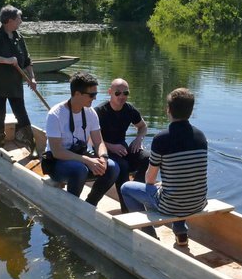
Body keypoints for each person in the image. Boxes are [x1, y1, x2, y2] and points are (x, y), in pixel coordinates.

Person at [120, 88, 207, 247]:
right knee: (180, 189)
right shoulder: (201, 136)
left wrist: (156, 186)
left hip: (171, 204)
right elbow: (189, 173)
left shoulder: (161, 138)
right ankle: (181, 233)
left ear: (168, 110)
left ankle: (150, 235)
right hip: (199, 202)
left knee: (126, 188)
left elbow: (150, 179)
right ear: (191, 111)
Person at [44, 71, 119, 206]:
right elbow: (57, 152)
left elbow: (99, 141)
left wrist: (103, 158)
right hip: (57, 163)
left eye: (95, 94)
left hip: (80, 159)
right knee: (79, 170)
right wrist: (88, 160)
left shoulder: (90, 113)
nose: (95, 98)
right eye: (92, 95)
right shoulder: (55, 115)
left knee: (113, 168)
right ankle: (71, 206)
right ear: (77, 94)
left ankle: (90, 204)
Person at [0, 6, 37, 147]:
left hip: (14, 84)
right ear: (9, 20)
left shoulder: (18, 37)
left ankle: (32, 145)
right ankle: (1, 143)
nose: (21, 21)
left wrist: (32, 78)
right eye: (18, 19)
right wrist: (7, 60)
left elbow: (27, 60)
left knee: (21, 113)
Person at [95, 78, 149, 212]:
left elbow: (142, 126)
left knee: (147, 158)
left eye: (125, 93)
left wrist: (138, 139)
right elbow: (91, 139)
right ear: (110, 92)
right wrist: (111, 146)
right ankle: (126, 210)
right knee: (123, 166)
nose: (122, 96)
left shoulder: (129, 109)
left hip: (123, 149)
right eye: (118, 93)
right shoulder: (99, 111)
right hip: (104, 150)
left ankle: (136, 192)